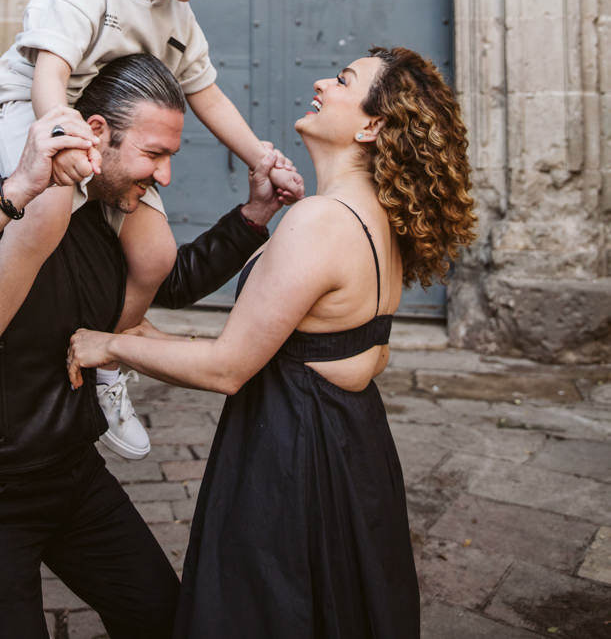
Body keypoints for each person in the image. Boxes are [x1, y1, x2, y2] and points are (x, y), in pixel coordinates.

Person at [0, 54, 285, 639]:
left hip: (74, 475)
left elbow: (172, 281)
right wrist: (14, 195)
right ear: (98, 134)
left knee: (162, 617)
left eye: (170, 158)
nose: (164, 176)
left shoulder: (116, 211)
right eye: (153, 154)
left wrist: (254, 215)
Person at [69, 46, 478, 639]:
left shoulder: (321, 220)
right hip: (348, 444)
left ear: (372, 125)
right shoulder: (374, 216)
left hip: (294, 457)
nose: (321, 81)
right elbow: (285, 345)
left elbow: (227, 367)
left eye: (343, 80)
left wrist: (107, 346)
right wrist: (145, 333)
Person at [0, 0, 302, 490]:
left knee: (153, 255)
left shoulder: (176, 16)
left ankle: (106, 359)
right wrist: (58, 140)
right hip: (33, 107)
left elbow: (207, 95)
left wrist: (259, 155)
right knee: (43, 211)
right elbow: (50, 69)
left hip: (101, 131)